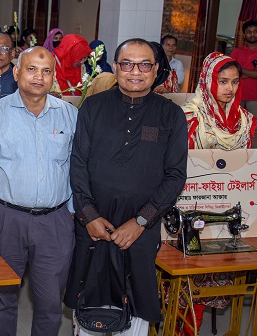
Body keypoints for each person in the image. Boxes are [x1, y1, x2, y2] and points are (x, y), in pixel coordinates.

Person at [64, 38, 188, 335]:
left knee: (135, 306)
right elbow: (77, 164)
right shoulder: (93, 107)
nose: (136, 71)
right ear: (116, 67)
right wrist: (89, 216)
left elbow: (175, 175)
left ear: (156, 69)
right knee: (89, 304)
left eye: (145, 64)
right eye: (127, 63)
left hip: (141, 231)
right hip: (94, 228)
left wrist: (141, 221)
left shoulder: (170, 115)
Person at [0, 46, 77, 336]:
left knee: (51, 303)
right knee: (2, 299)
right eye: (31, 69)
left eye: (46, 70)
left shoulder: (69, 115)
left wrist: (73, 213)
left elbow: (79, 168)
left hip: (55, 222)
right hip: (5, 219)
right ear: (16, 72)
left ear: (54, 76)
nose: (39, 77)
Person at [178, 52, 257, 333]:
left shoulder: (246, 121)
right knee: (186, 283)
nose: (229, 88)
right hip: (189, 204)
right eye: (222, 81)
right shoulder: (188, 117)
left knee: (218, 271)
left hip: (226, 205)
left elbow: (245, 169)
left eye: (235, 82)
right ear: (209, 80)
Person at [232, 20, 257, 148]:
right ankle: (237, 160)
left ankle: (254, 162)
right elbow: (232, 75)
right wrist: (254, 72)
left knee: (253, 130)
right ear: (244, 34)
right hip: (236, 96)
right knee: (236, 129)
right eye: (249, 32)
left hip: (256, 98)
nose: (252, 34)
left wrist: (240, 70)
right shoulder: (237, 52)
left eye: (255, 31)